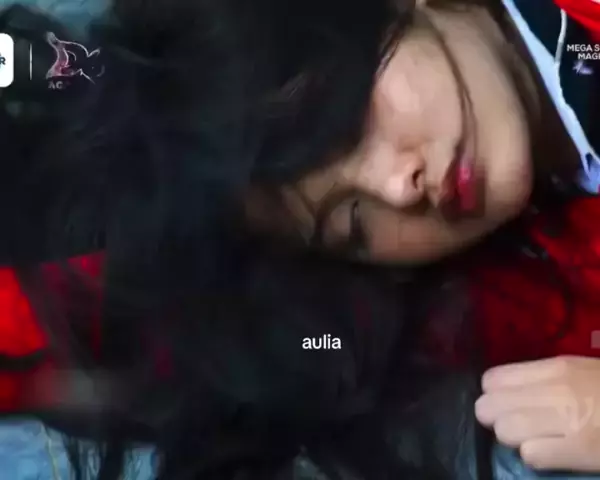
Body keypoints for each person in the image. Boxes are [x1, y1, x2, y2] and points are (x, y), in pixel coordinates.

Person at [0, 0, 598, 478]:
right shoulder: (491, 299)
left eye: (352, 123)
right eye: (354, 225)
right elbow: (171, 322)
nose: (397, 188)